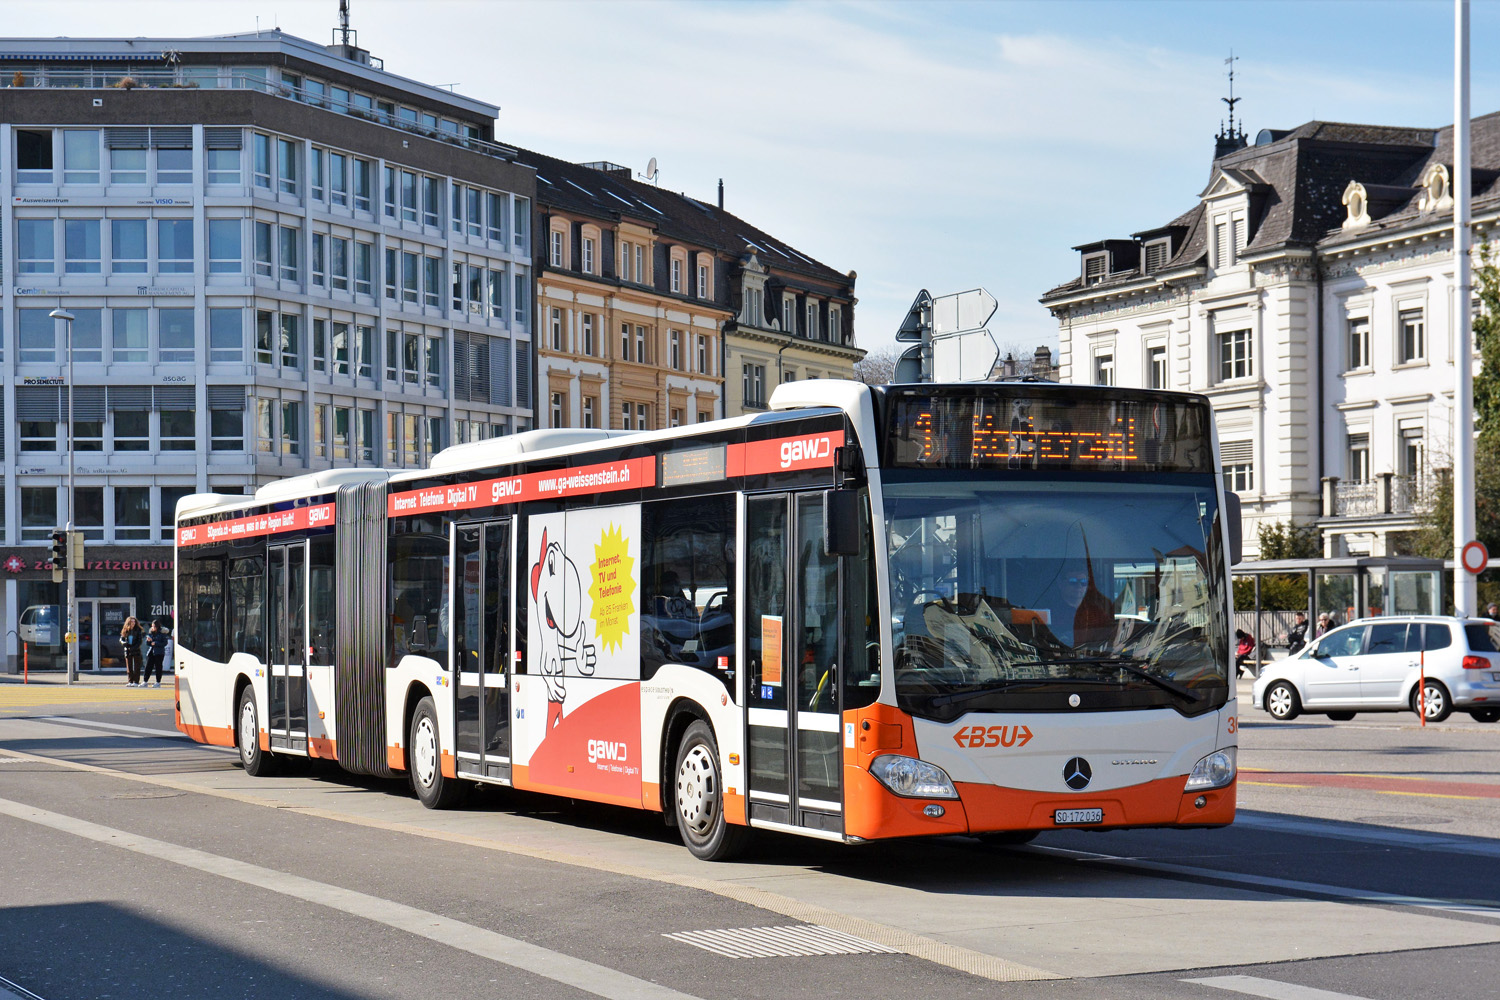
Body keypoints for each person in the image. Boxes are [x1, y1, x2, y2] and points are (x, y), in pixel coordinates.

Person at [143, 620, 169, 688]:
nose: (152, 628)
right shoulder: (151, 633)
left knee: (158, 667)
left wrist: (156, 643)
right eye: (152, 626)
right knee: (148, 667)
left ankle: (158, 682)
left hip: (159, 652)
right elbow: (148, 643)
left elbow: (165, 643)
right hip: (151, 652)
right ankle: (145, 681)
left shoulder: (162, 633)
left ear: (157, 626)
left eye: (154, 626)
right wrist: (148, 641)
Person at [119, 616, 144, 686]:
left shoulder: (138, 630)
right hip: (127, 650)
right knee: (129, 667)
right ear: (128, 622)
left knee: (137, 667)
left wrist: (134, 647)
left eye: (134, 621)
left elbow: (139, 641)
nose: (133, 623)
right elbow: (121, 639)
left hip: (136, 650)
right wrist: (125, 644)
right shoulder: (125, 630)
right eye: (131, 621)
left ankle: (136, 682)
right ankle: (130, 681)